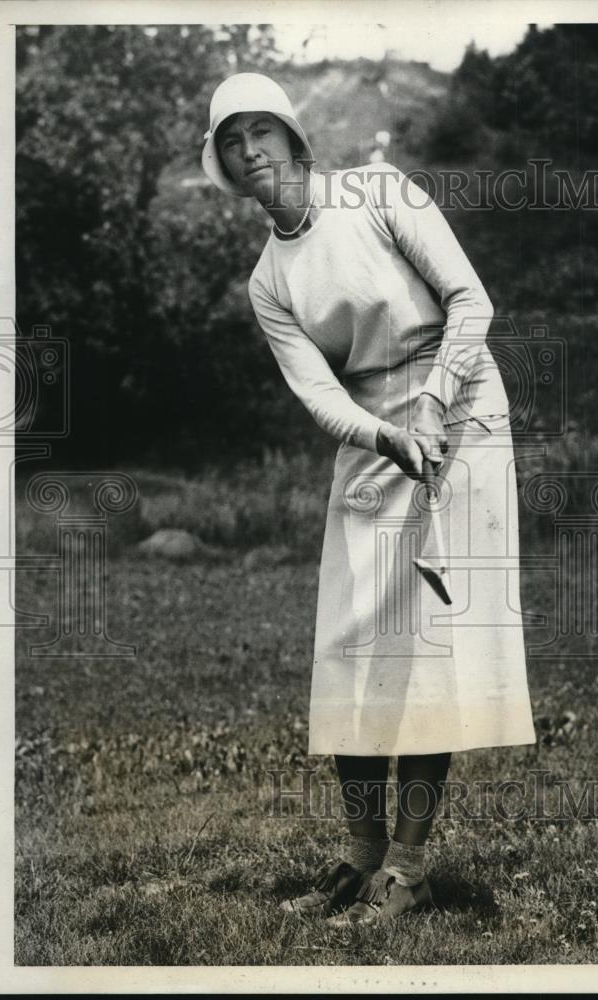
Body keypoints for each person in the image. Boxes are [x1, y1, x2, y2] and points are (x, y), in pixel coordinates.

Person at [201, 73, 537, 926]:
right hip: (372, 434)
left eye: (260, 132)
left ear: (292, 138)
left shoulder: (379, 192)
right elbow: (317, 392)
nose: (251, 152)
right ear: (229, 172)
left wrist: (429, 410)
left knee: (426, 649)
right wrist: (387, 436)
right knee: (351, 644)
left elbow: (472, 300)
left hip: (460, 414)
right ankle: (359, 859)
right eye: (232, 143)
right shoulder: (268, 281)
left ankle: (410, 870)